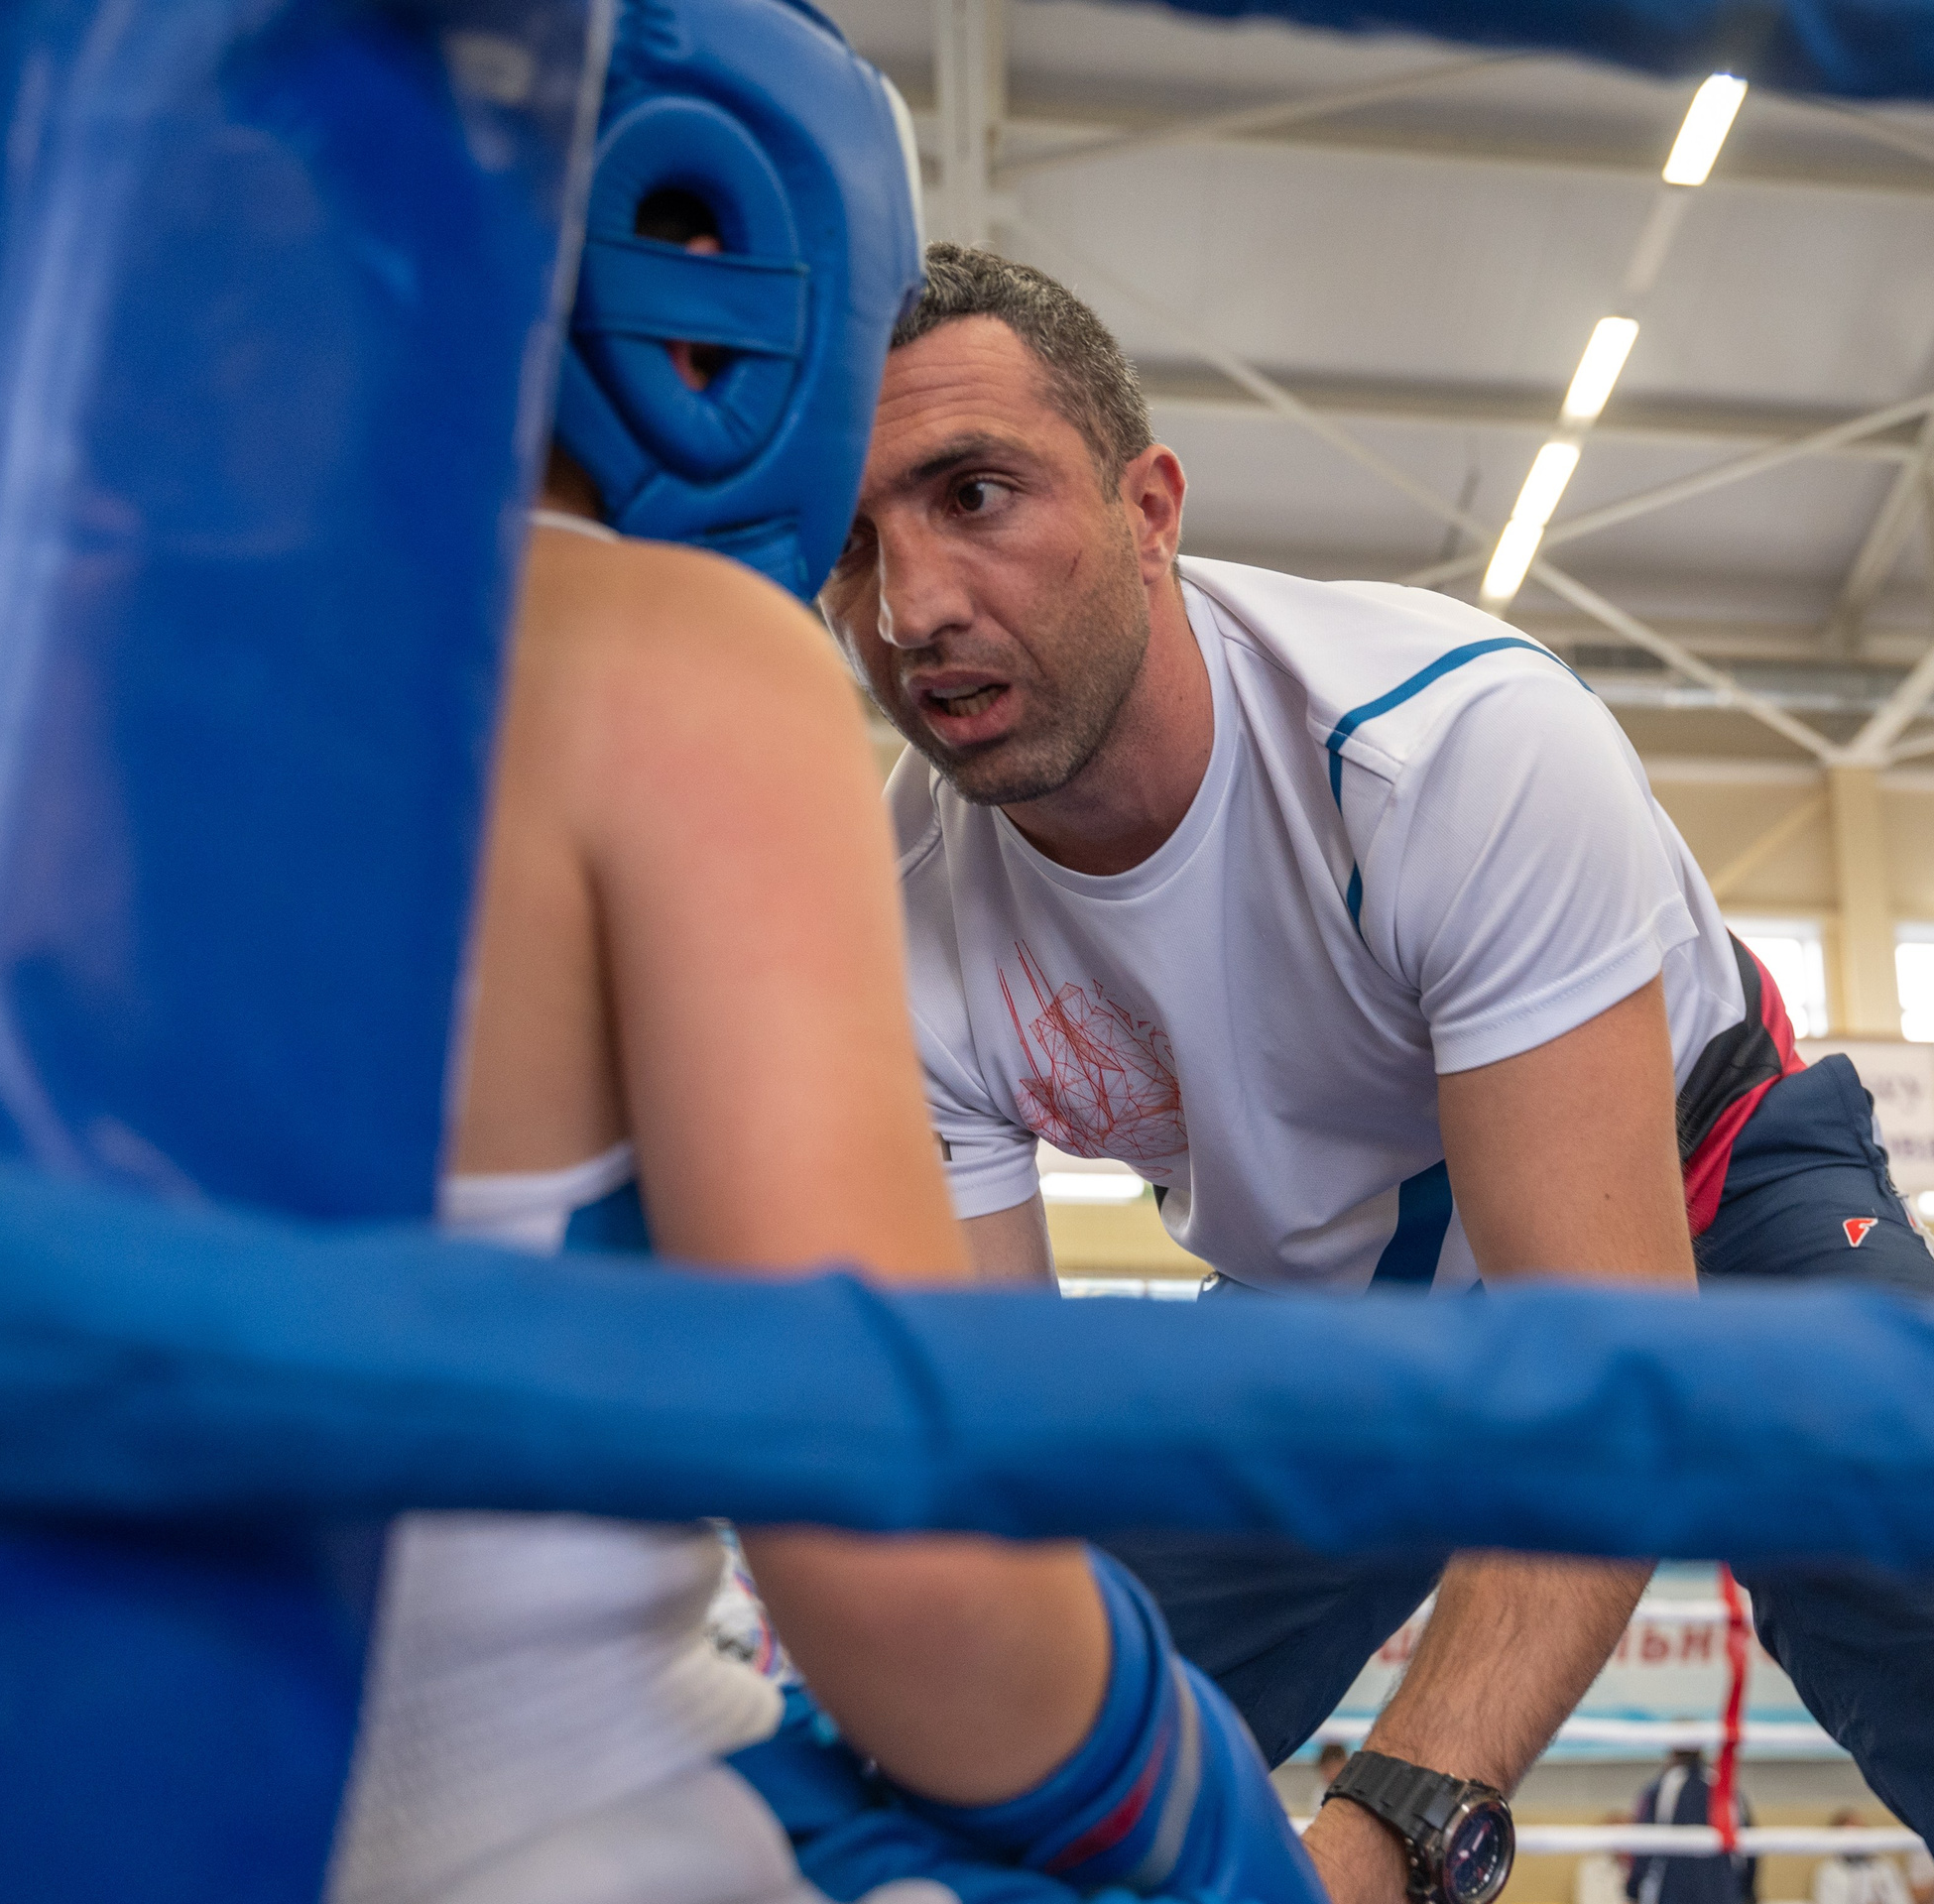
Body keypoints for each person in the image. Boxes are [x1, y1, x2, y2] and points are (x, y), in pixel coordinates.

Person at [824, 240, 1934, 1904]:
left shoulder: (1454, 750)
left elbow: (1603, 1374)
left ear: (1151, 508)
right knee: (980, 1775)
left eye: (976, 495)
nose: (913, 606)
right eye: (856, 545)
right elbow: (992, 1478)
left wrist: (1387, 1844)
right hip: (1338, 1308)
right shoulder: (898, 924)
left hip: (1706, 1201)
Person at [329, 11, 1319, 1904]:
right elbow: (897, 1558)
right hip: (528, 1822)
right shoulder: (674, 656)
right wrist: (1188, 1813)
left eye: (971, 498)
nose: (909, 601)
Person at [1626, 1749, 1753, 1904]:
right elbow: (1748, 1849)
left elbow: (1643, 1848)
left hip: (1672, 1894)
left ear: (1672, 1752)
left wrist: (1632, 1891)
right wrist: (1748, 1892)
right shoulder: (1727, 1789)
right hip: (1723, 1893)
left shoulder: (1659, 1790)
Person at [1809, 1811, 1910, 1904]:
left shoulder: (1885, 1867)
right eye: (1850, 1836)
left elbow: (1903, 1900)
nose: (1856, 1842)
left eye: (1860, 1833)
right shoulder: (1828, 1871)